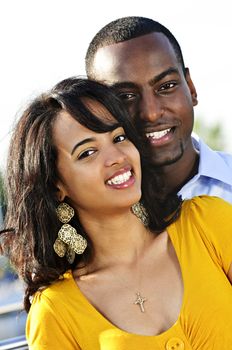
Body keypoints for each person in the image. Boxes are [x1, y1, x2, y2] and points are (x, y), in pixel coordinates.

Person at [0, 77, 231, 350]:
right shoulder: (55, 312)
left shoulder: (207, 222)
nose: (117, 156)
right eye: (87, 153)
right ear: (56, 186)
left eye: (119, 137)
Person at [85, 16, 232, 202]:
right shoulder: (85, 216)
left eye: (166, 86)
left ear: (191, 88)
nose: (151, 113)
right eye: (125, 97)